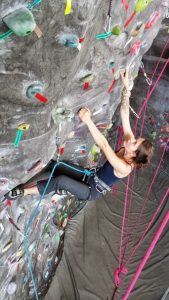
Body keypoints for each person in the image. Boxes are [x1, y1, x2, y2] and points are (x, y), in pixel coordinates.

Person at [6, 69, 153, 201]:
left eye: (134, 143)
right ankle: (41, 182)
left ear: (134, 155)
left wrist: (88, 120)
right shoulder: (129, 147)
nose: (131, 139)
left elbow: (104, 145)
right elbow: (125, 114)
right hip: (90, 176)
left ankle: (23, 192)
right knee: (57, 166)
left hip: (90, 191)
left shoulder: (125, 167)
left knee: (61, 180)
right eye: (136, 139)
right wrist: (126, 90)